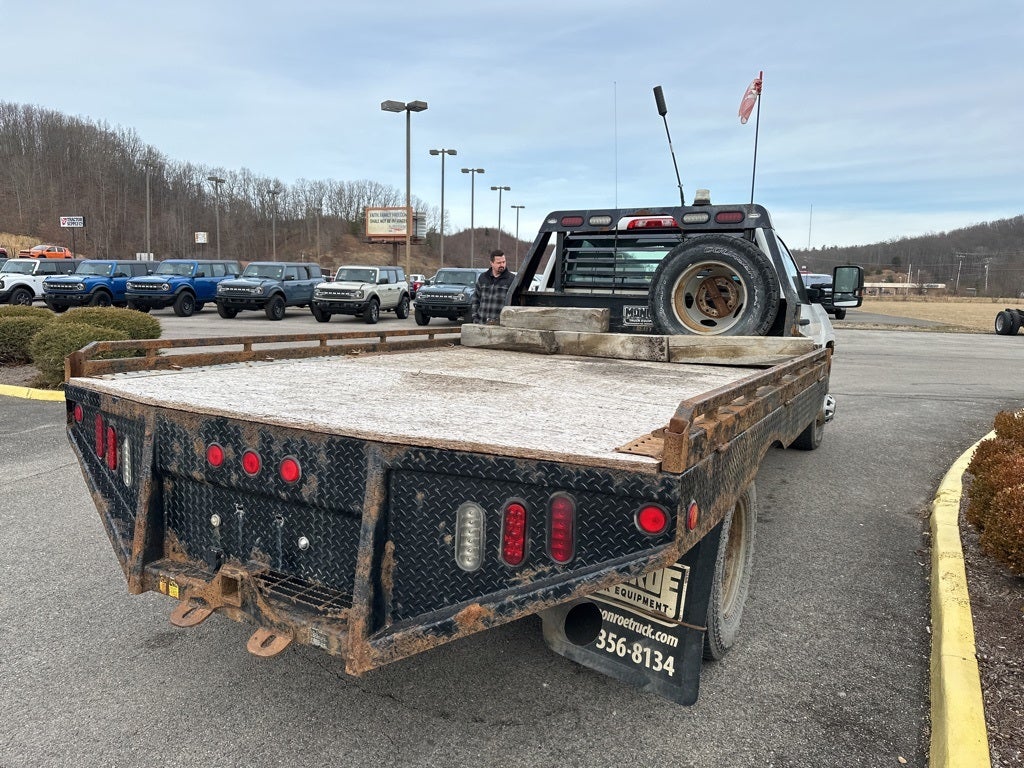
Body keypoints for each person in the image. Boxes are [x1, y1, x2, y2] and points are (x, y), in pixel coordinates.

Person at [471, 249, 515, 325]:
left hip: (501, 326)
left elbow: (515, 304)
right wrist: (475, 318)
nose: (502, 265)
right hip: (481, 324)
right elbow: (475, 299)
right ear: (491, 263)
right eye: (499, 263)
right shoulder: (483, 277)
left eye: (504, 262)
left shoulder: (512, 279)